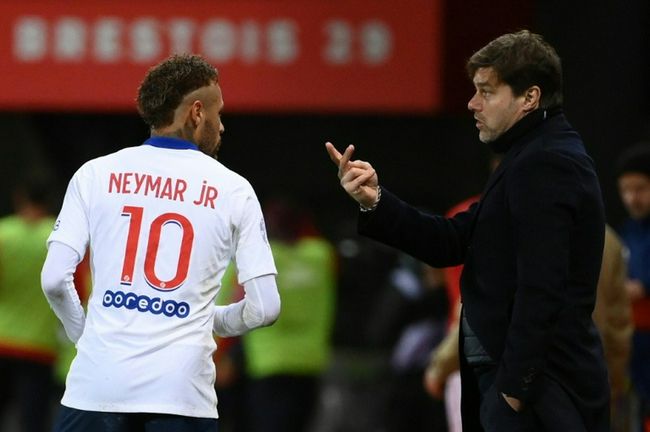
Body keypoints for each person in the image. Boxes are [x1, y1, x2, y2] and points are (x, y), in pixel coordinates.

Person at [326, 30, 609, 431]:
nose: (472, 104)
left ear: (529, 97)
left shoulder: (547, 162)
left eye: (486, 92)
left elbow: (543, 287)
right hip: (521, 390)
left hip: (537, 396)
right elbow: (452, 242)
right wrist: (375, 201)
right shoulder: (527, 157)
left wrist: (513, 390)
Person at [40, 54, 281, 432]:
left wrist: (82, 333)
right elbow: (265, 308)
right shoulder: (235, 190)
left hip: (95, 388)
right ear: (197, 113)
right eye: (219, 113)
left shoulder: (95, 174)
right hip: (182, 396)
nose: (222, 126)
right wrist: (210, 317)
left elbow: (54, 279)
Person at [218, 197, 336, 432]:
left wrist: (218, 356)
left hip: (267, 364)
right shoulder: (322, 256)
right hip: (310, 363)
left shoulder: (257, 261)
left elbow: (224, 306)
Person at [0, 174, 59, 432]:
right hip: (40, 345)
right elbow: (79, 291)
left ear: (19, 199)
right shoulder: (58, 238)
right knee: (32, 421)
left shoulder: (4, 233)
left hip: (2, 338)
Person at [616, 142, 650, 432]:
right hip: (634, 346)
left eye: (640, 189)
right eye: (626, 190)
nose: (631, 198)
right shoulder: (627, 231)